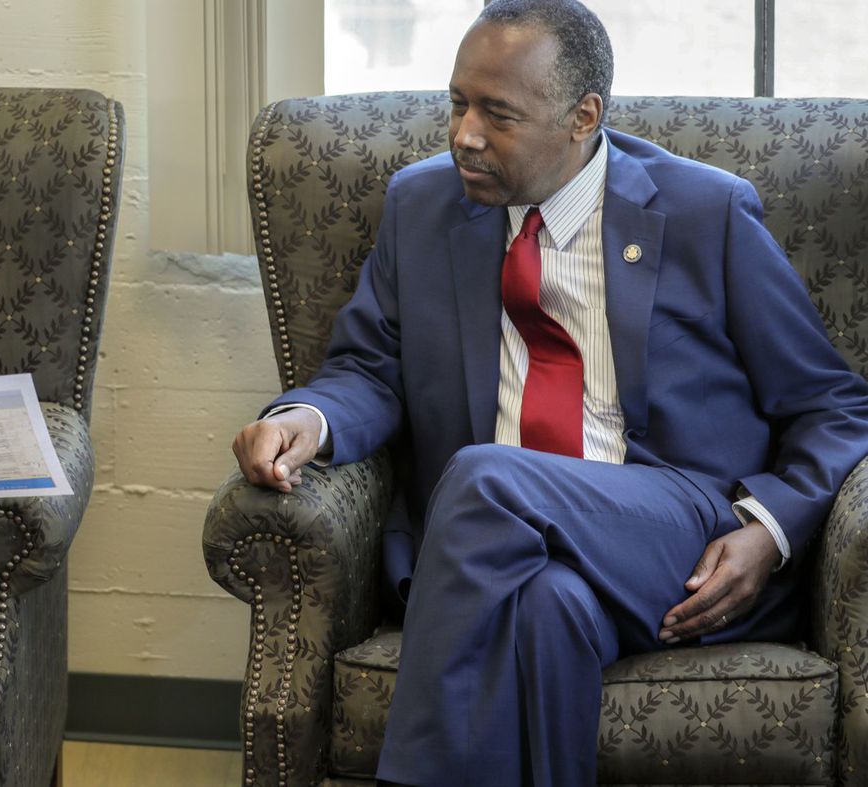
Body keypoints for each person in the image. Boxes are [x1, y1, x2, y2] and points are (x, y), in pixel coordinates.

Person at [231, 1, 868, 785]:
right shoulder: (421, 206)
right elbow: (368, 367)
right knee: (548, 609)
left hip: (671, 526)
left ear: (582, 117)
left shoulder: (706, 214)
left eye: (497, 114)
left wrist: (769, 528)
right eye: (458, 102)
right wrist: (308, 418)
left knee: (482, 474)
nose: (464, 132)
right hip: (502, 549)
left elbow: (833, 404)